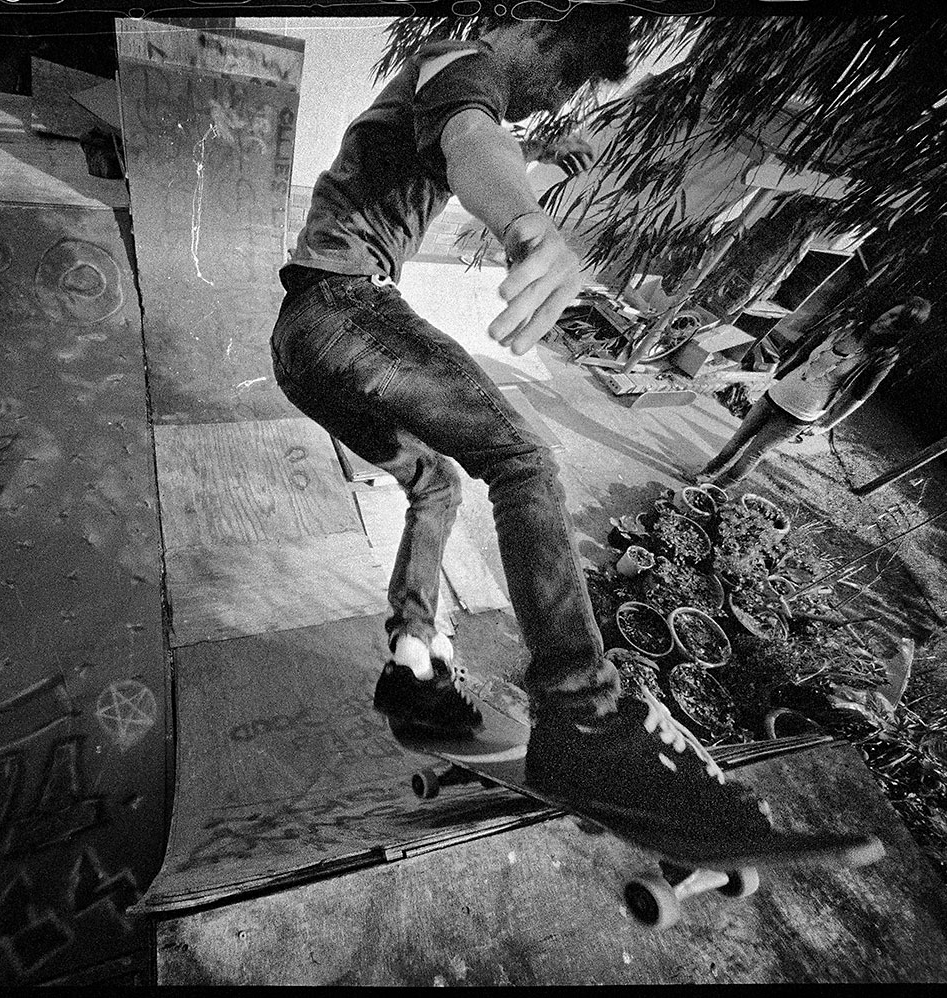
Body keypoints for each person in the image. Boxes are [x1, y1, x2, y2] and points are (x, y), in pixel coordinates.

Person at [271, 9, 773, 858]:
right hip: (343, 307)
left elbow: (475, 149)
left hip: (305, 344)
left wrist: (542, 165)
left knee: (436, 482)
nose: (551, 100)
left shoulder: (436, 95)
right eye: (565, 80)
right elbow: (474, 141)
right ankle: (585, 715)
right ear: (539, 32)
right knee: (522, 458)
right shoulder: (463, 63)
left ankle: (415, 661)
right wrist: (528, 224)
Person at [688, 297, 932, 490]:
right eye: (891, 315)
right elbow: (805, 355)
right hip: (777, 394)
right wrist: (774, 378)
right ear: (885, 309)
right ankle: (706, 474)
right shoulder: (847, 328)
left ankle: (717, 490)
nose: (887, 323)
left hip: (800, 414)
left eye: (897, 324)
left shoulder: (882, 357)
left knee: (754, 453)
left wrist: (825, 425)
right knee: (737, 439)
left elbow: (859, 396)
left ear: (901, 332)